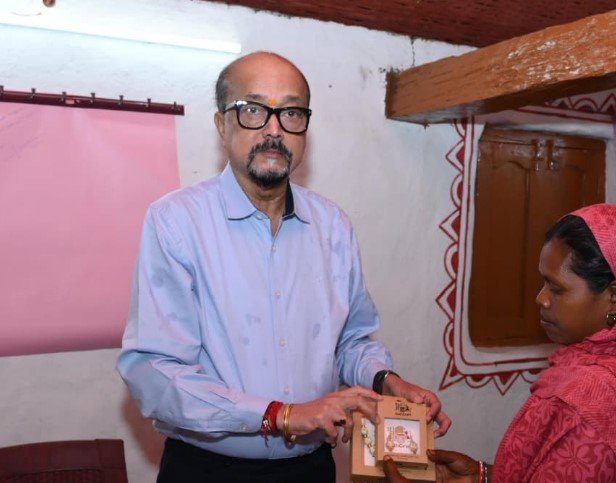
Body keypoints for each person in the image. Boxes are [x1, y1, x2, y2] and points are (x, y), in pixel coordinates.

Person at [117, 51, 450, 482]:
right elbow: (156, 373)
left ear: (305, 129)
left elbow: (350, 341)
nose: (274, 130)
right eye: (253, 110)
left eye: (291, 113)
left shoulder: (332, 225)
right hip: (208, 470)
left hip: (310, 467)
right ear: (221, 124)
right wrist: (281, 415)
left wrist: (385, 379)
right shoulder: (176, 222)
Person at [384, 203, 616, 482]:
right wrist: (483, 476)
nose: (540, 299)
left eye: (557, 289)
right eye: (543, 283)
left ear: (615, 297)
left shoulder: (590, 402)